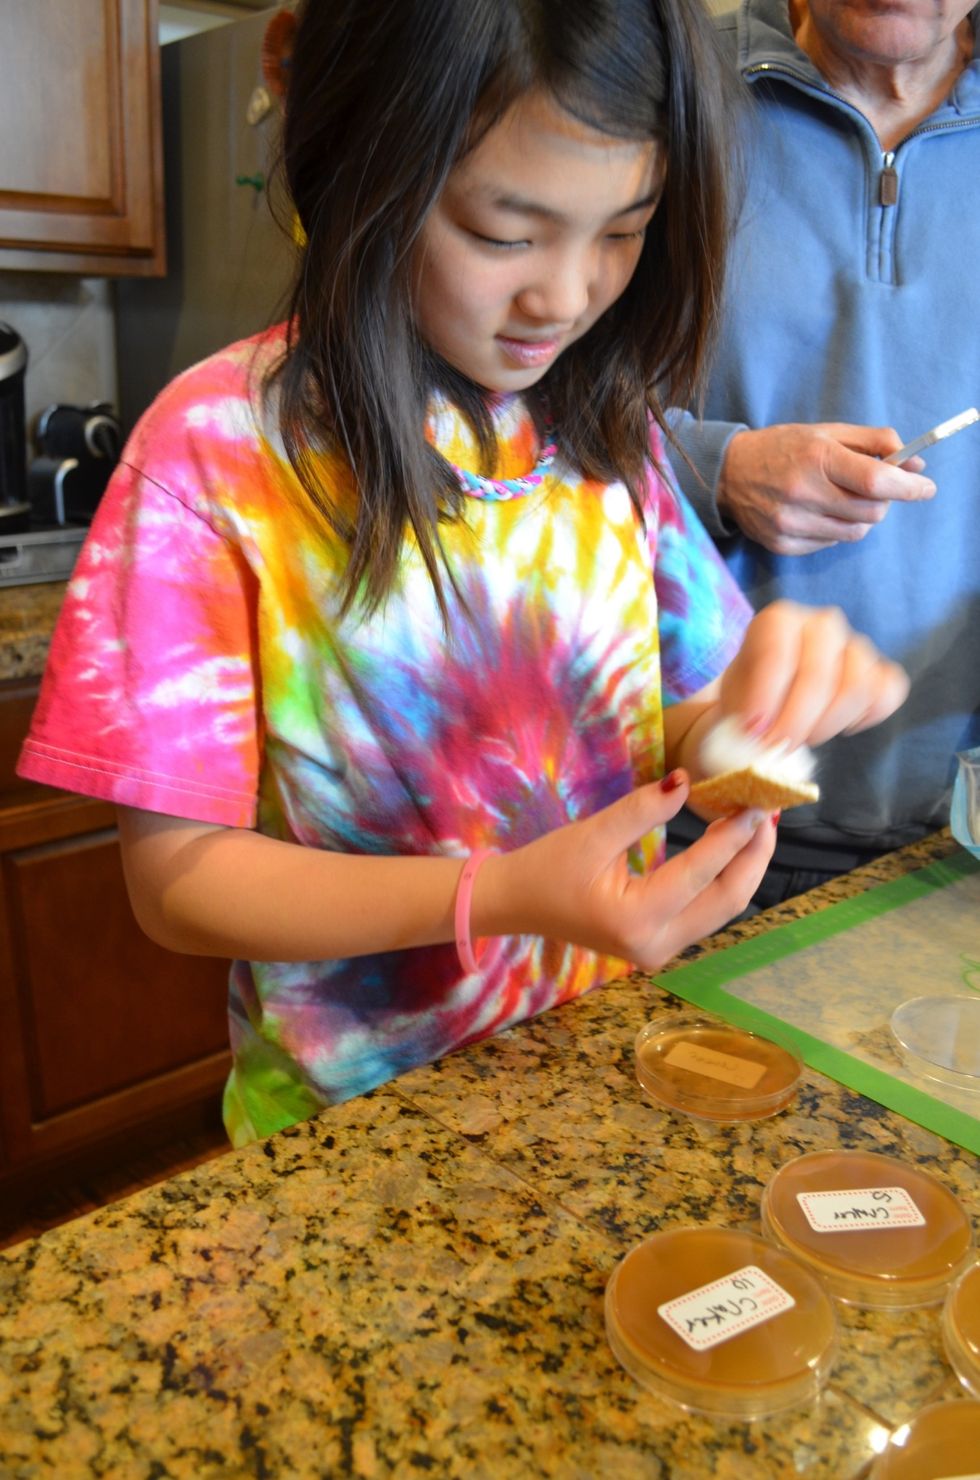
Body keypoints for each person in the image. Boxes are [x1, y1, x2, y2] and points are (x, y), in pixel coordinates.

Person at [17, 0, 906, 1147]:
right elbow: (177, 882)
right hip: (352, 1127)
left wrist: (747, 714)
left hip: (603, 1066)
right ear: (363, 167)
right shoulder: (216, 454)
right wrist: (495, 893)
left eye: (623, 229)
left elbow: (668, 715)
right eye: (504, 232)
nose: (567, 295)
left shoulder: (604, 433)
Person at [669, 0, 980, 906]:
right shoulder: (670, 87)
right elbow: (522, 408)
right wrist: (712, 468)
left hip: (954, 845)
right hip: (691, 813)